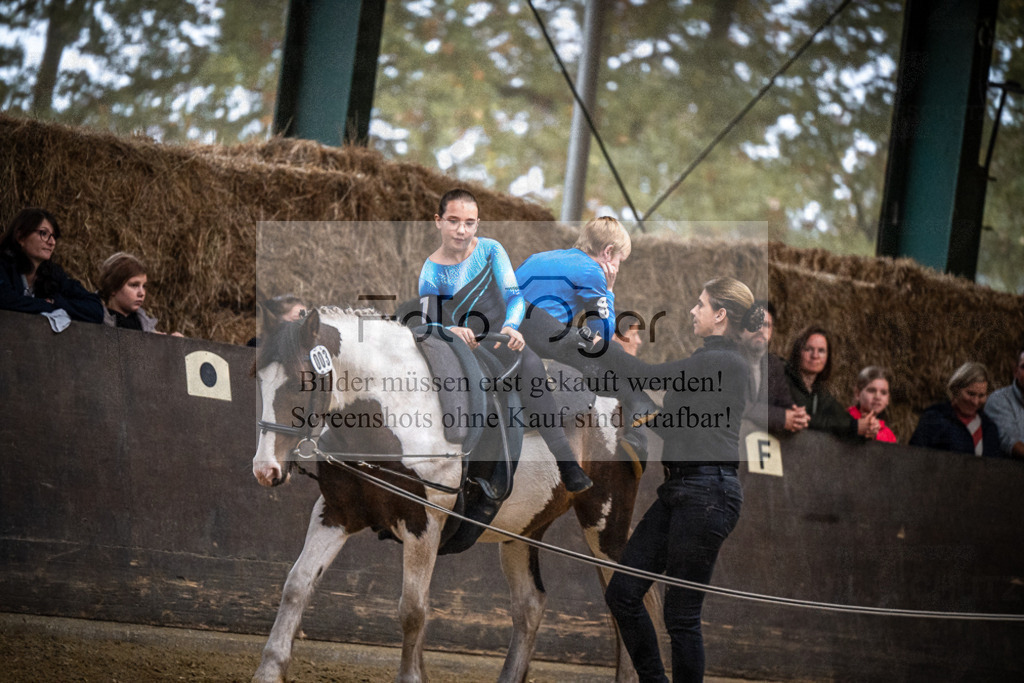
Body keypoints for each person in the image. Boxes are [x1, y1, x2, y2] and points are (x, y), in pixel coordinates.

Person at [605, 276, 759, 683]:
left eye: (701, 304)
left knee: (681, 617)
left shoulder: (722, 361)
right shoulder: (714, 362)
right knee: (622, 594)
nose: (693, 311)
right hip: (683, 490)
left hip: (707, 493)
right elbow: (675, 426)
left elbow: (645, 373)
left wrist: (598, 343)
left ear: (720, 315)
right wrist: (638, 413)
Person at [418, 188, 592, 492]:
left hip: (502, 338)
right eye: (454, 221)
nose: (462, 230)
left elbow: (514, 298)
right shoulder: (431, 270)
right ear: (438, 221)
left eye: (469, 223)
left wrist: (513, 327)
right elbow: (427, 323)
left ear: (478, 224)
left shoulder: (490, 250)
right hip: (463, 347)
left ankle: (566, 463)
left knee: (530, 364)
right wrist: (452, 332)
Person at [514, 216, 659, 458]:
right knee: (614, 353)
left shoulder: (537, 258)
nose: (618, 267)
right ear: (608, 252)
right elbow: (601, 335)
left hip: (509, 330)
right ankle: (636, 421)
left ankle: (637, 404)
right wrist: (609, 291)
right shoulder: (593, 271)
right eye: (619, 260)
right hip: (542, 338)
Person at [0, 207, 103, 323]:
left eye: (54, 236)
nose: (52, 242)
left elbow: (96, 310)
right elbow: (5, 299)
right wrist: (45, 304)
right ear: (21, 237)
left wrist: (56, 303)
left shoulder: (53, 275)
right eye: (43, 233)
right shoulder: (3, 266)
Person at [784, 325, 878, 440]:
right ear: (798, 352)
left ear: (828, 357)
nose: (815, 356)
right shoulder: (783, 381)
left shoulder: (821, 393)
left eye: (821, 351)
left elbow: (843, 421)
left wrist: (866, 426)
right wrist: (853, 426)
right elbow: (807, 420)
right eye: (809, 349)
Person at [738, 299, 809, 434]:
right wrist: (780, 418)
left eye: (766, 325)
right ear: (741, 329)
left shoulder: (774, 365)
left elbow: (785, 405)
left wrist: (797, 417)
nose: (760, 330)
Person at [910, 361, 1003, 457]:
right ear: (956, 389)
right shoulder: (934, 419)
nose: (975, 402)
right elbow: (914, 457)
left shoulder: (989, 429)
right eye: (970, 394)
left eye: (981, 396)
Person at [98, 252, 182, 335]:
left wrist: (172, 344)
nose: (141, 293)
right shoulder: (95, 322)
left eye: (144, 286)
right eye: (134, 285)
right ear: (113, 287)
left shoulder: (146, 326)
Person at [983, 347, 1024, 460]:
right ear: (1016, 372)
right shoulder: (999, 400)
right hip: (1007, 474)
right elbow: (1011, 442)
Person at [848, 366, 897, 443]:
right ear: (857, 394)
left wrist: (876, 436)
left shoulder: (889, 435)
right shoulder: (843, 419)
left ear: (888, 399)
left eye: (883, 393)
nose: (878, 397)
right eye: (871, 390)